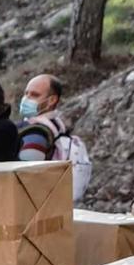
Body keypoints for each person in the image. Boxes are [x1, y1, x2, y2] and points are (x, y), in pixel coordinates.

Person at [16, 73, 91, 203]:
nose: (26, 99)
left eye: (35, 95)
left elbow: (24, 175)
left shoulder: (36, 133)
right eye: (26, 93)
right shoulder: (58, 127)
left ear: (52, 100)